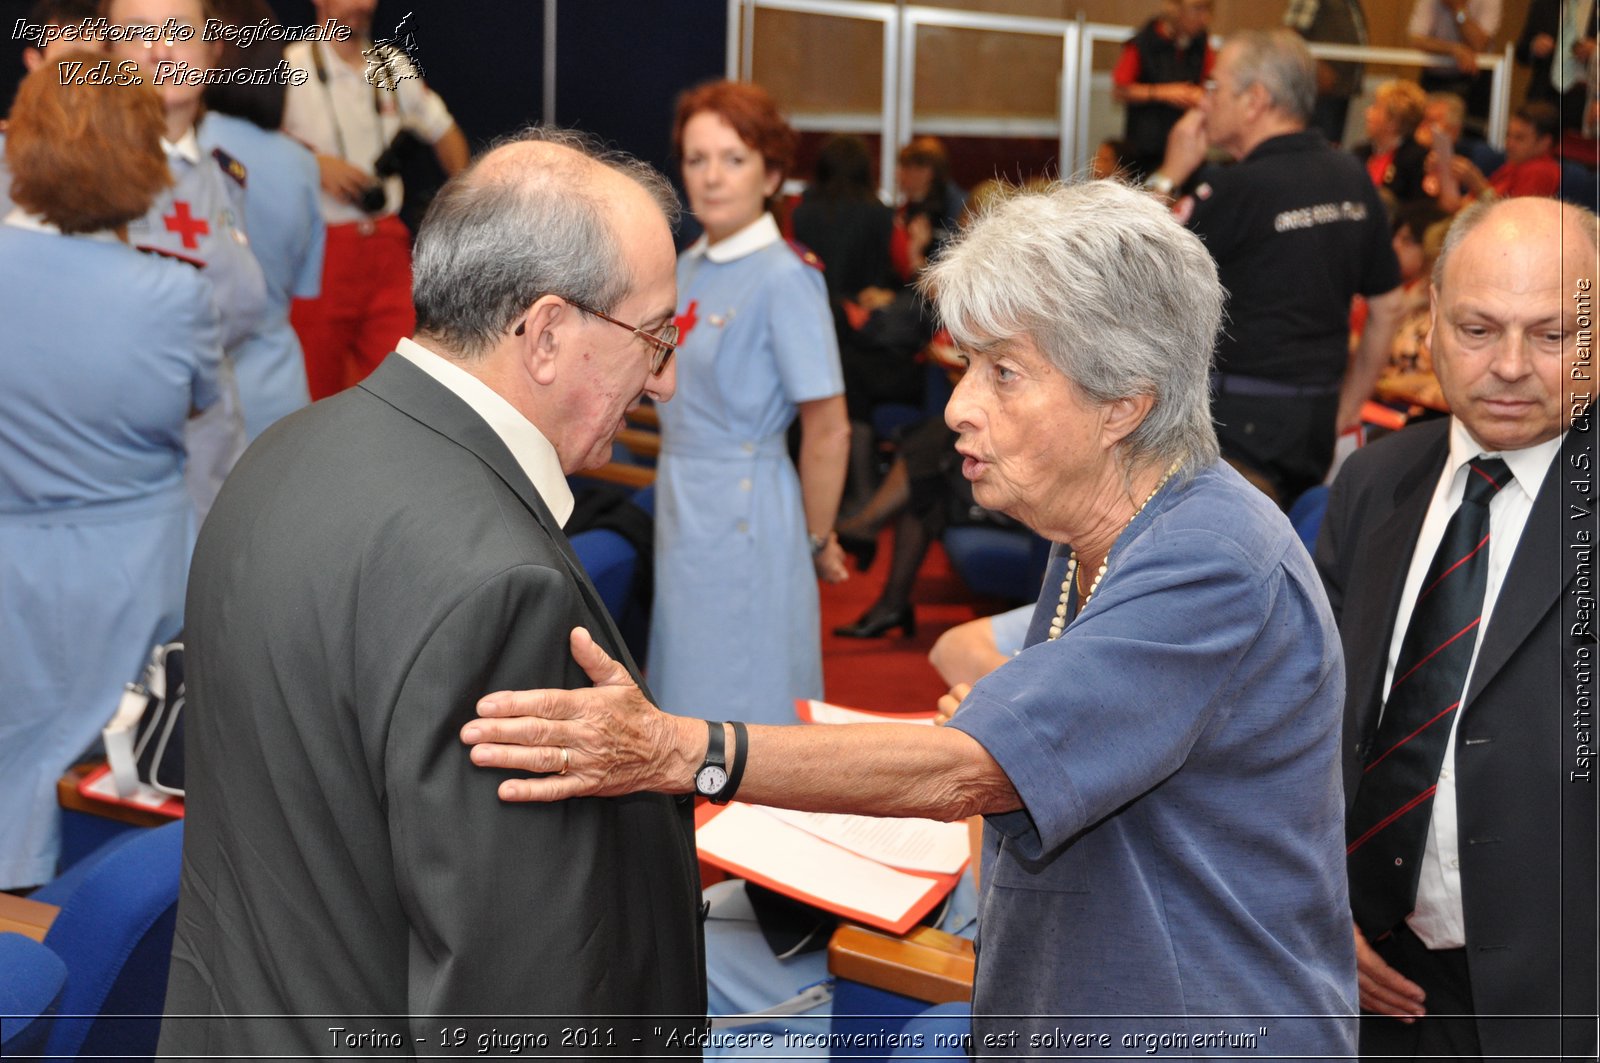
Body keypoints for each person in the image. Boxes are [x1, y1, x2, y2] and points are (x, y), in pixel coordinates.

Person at [464, 179, 1359, 1057]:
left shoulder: (1215, 557)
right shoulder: (1089, 525)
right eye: (968, 365)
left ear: (1124, 403)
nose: (962, 405)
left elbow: (972, 770)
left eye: (1004, 373)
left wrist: (672, 750)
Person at [158, 129, 703, 1056]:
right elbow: (518, 998)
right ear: (545, 333)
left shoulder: (281, 454)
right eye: (655, 335)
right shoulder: (505, 588)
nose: (666, 377)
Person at [1314, 196, 1597, 1060]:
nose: (1510, 365)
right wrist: (1325, 907)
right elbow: (1307, 718)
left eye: (1552, 336)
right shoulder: (1374, 481)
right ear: (1429, 321)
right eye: (1477, 328)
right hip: (1361, 975)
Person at [0, 57, 222, 891]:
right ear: (144, 156)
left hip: (12, 565)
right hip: (139, 573)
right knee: (130, 779)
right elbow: (206, 412)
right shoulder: (173, 295)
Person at [647, 81, 850, 728]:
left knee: (745, 704)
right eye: (696, 158)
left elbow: (828, 427)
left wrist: (816, 536)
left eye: (733, 159)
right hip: (680, 500)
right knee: (683, 685)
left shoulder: (785, 276)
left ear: (773, 173)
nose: (711, 177)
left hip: (747, 507)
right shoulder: (683, 266)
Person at [1147, 28, 1403, 504]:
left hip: (1236, 432)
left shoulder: (1237, 189)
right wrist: (1347, 407)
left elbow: (1130, 276)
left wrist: (1170, 171)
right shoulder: (1352, 176)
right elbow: (1389, 305)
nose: (1204, 102)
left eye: (1215, 87)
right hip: (1316, 424)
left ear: (1255, 100)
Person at [105, 0, 268, 521]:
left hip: (213, 466)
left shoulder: (224, 175)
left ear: (213, 50)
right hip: (121, 474)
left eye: (180, 30)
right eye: (137, 33)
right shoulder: (68, 179)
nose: (161, 49)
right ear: (105, 53)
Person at [282, 0, 469, 400]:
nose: (362, 5)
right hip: (319, 247)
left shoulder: (392, 65)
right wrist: (313, 164)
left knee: (405, 381)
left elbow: (444, 129)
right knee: (312, 385)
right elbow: (249, 148)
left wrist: (466, 204)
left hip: (387, 246)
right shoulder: (288, 66)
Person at [199, 0, 324, 441]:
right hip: (283, 397)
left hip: (200, 398)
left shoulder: (179, 146)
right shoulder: (304, 164)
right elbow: (306, 286)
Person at [1111, 0, 1215, 179]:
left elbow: (1212, 83)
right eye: (1197, 9)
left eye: (1208, 9)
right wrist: (1166, 92)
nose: (1204, 18)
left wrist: (1200, 94)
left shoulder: (1202, 44)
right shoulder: (1143, 42)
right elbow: (1119, 90)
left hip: (1186, 147)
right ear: (1175, 9)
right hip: (1144, 149)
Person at [1436, 101, 1564, 211]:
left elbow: (1512, 218)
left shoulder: (1541, 171)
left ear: (1544, 142)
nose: (1509, 144)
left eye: (1519, 138)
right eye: (1508, 135)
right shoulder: (1515, 164)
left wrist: (1477, 184)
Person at [1284, 0, 1370, 145]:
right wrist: (1313, 66)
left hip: (1341, 89)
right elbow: (1290, 35)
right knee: (1316, 145)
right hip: (1319, 90)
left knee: (1332, 145)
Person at [1408, 0, 1502, 126]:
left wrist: (1458, 9)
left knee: (1470, 132)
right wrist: (1453, 49)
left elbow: (1479, 44)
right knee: (1427, 127)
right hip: (1434, 77)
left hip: (1474, 79)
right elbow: (1416, 39)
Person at [1516, 0, 1596, 129]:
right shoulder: (1544, 3)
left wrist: (1596, 53)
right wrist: (1534, 46)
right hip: (1544, 95)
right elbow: (1521, 52)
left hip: (1585, 98)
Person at [1352, 79, 1430, 205]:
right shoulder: (1360, 152)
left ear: (1394, 122)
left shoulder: (1417, 159)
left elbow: (1417, 208)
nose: (1368, 113)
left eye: (1376, 107)